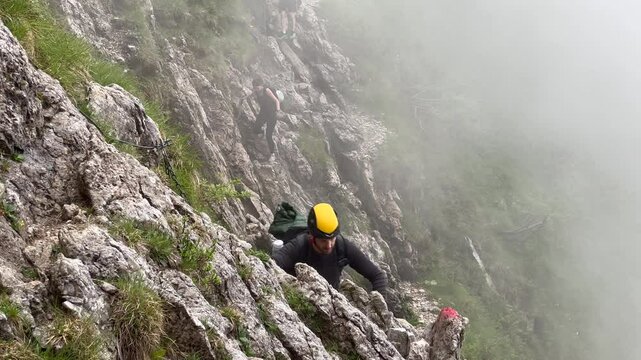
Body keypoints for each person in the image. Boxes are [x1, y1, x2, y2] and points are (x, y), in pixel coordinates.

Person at [273, 203, 388, 294]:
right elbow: (272, 265)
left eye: (332, 239)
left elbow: (377, 276)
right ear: (312, 235)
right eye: (323, 240)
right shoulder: (299, 245)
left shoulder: (342, 245)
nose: (329, 245)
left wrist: (379, 311)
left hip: (331, 306)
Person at [249, 77, 280, 157]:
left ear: (262, 85)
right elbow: (250, 95)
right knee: (256, 128)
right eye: (255, 87)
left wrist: (277, 110)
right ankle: (262, 132)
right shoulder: (256, 92)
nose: (256, 89)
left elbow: (276, 100)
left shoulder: (267, 91)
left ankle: (272, 153)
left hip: (272, 113)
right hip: (263, 112)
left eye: (257, 87)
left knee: (268, 135)